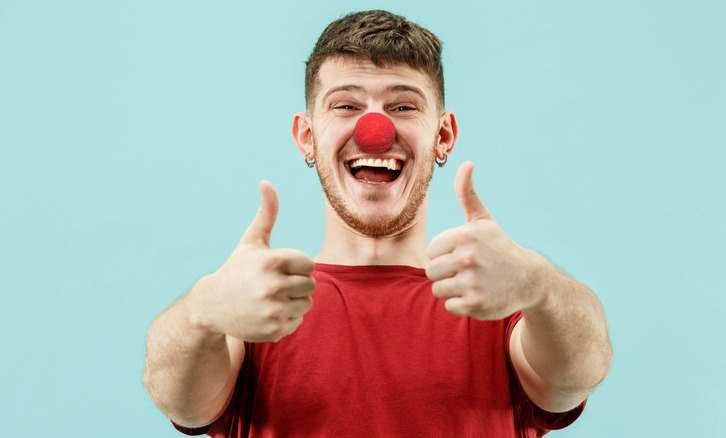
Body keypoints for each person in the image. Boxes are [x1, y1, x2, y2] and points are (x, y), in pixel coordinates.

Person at [143, 10, 612, 437]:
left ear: (443, 135)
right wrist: (204, 307)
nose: (375, 130)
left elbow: (578, 375)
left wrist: (540, 285)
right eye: (346, 106)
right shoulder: (256, 309)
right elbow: (180, 400)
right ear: (307, 137)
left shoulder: (501, 304)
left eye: (403, 106)